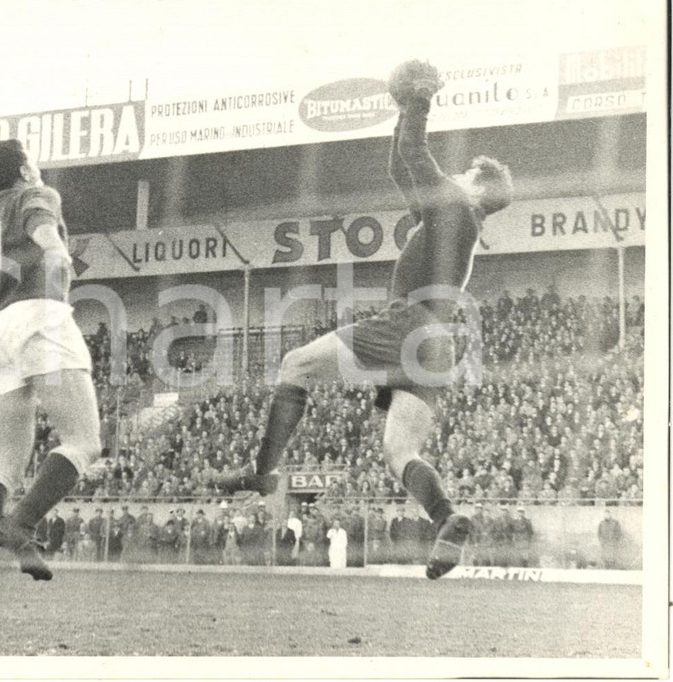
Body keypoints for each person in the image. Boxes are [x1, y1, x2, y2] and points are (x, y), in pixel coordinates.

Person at [214, 59, 513, 580]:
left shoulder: (456, 208)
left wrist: (418, 102)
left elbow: (417, 155)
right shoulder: (451, 220)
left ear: (477, 188)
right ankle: (447, 517)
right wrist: (402, 113)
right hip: (436, 344)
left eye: (465, 174)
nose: (456, 176)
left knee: (296, 363)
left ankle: (263, 473)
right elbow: (402, 168)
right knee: (400, 450)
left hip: (407, 323)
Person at [0, 140, 102, 620]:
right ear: (22, 168)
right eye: (33, 162)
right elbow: (51, 246)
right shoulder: (36, 195)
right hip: (39, 314)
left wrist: (0, 336)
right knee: (84, 441)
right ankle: (20, 526)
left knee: (7, 463)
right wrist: (56, 284)